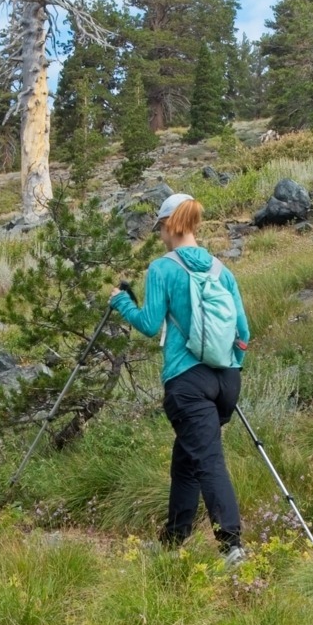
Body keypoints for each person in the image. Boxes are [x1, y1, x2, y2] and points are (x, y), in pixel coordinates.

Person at [111, 193, 251, 559]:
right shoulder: (221, 270)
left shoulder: (162, 269)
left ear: (169, 226)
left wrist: (121, 302)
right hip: (227, 381)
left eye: (159, 229)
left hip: (187, 382)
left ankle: (232, 547)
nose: (159, 236)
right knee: (187, 460)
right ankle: (173, 541)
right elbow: (244, 333)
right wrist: (228, 367)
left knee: (207, 460)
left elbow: (148, 324)